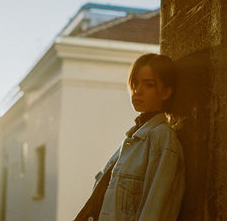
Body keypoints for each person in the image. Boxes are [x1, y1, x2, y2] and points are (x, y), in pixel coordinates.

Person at [74, 53, 185, 221]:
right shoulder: (132, 139)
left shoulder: (162, 140)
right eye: (135, 83)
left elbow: (156, 211)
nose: (137, 91)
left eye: (148, 85)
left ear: (166, 92)